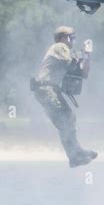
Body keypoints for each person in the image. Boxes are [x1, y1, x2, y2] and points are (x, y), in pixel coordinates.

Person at [32, 26, 98, 168]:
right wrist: (84, 54)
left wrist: (87, 56)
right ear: (62, 38)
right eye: (71, 37)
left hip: (47, 89)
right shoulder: (60, 46)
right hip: (46, 87)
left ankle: (76, 152)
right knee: (66, 118)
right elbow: (73, 66)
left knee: (67, 118)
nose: (73, 40)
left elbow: (83, 74)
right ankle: (74, 155)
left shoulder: (65, 51)